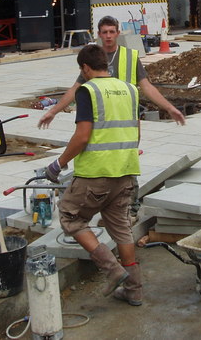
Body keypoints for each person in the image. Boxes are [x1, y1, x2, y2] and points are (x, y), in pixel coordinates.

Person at [45, 43, 143, 306]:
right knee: (121, 229)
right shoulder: (130, 90)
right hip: (125, 170)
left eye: (82, 70)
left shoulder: (88, 91)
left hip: (96, 173)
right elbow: (136, 130)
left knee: (70, 216)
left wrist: (59, 163)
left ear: (86, 68)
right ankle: (134, 289)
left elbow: (83, 135)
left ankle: (112, 270)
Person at [38, 15, 185, 128]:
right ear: (99, 34)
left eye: (111, 32)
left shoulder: (130, 56)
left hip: (127, 116)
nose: (108, 36)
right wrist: (52, 112)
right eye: (105, 32)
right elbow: (75, 89)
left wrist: (169, 108)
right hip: (101, 117)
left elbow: (147, 87)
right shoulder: (92, 57)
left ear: (117, 33)